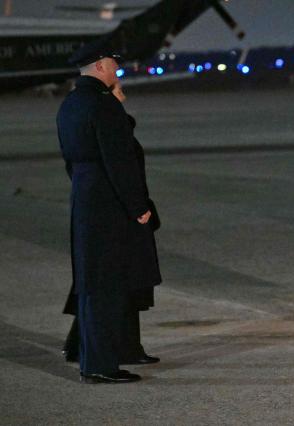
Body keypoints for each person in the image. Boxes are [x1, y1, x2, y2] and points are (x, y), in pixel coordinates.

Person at [57, 37, 161, 383]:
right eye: (113, 63)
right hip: (109, 203)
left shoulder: (70, 104)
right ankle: (100, 366)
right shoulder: (104, 105)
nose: (117, 68)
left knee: (91, 283)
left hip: (84, 199)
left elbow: (72, 161)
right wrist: (138, 207)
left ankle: (94, 357)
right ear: (99, 65)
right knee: (107, 285)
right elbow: (120, 162)